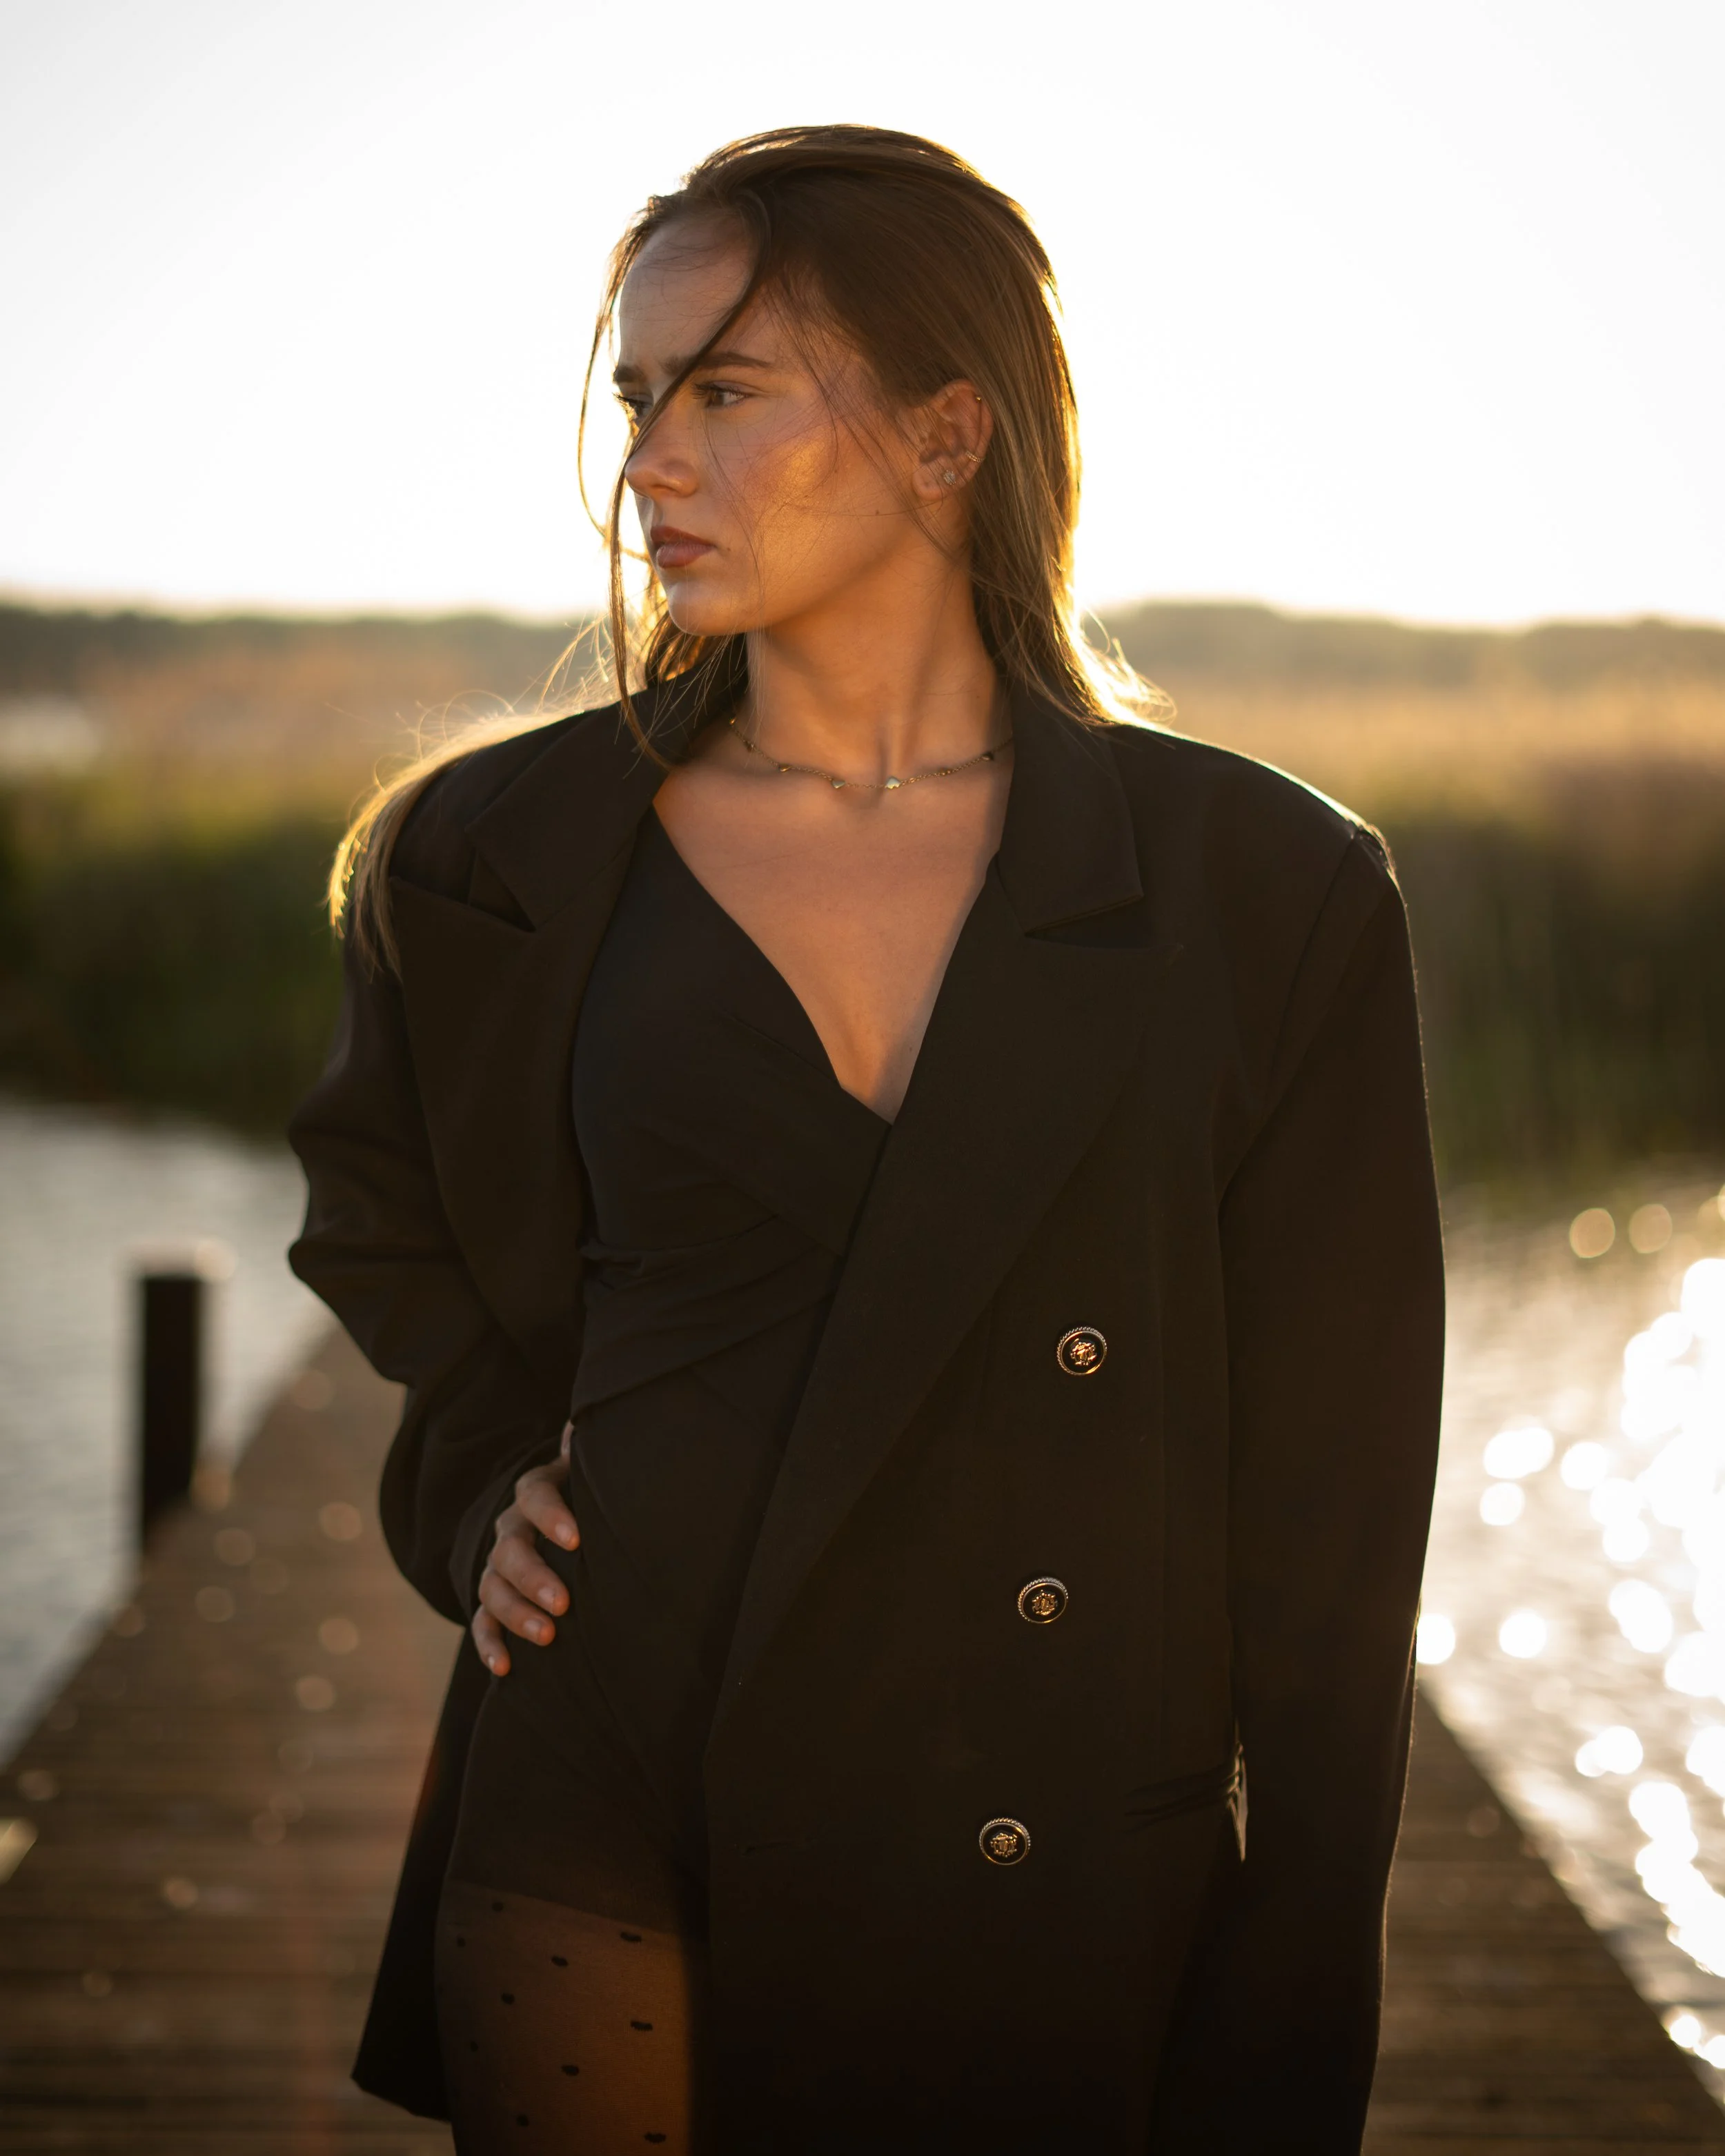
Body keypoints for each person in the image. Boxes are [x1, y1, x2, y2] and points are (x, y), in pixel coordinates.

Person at [288, 124, 1444, 2155]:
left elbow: (1336, 1517)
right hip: (601, 1769)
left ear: (943, 435)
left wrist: (1295, 1987)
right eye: (639, 399)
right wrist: (478, 1493)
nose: (650, 463)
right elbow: (383, 1231)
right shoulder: (490, 856)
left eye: (726, 394)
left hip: (1046, 1824)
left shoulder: (1267, 888)